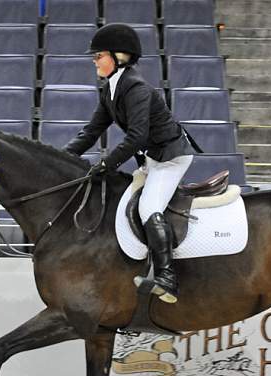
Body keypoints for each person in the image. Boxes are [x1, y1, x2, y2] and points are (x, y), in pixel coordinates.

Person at [64, 23, 196, 304]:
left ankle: (167, 278)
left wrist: (106, 164)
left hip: (170, 158)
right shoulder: (111, 89)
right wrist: (63, 156)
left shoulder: (135, 88)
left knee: (149, 206)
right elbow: (91, 131)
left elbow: (137, 136)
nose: (94, 60)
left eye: (99, 55)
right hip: (152, 157)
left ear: (119, 56)